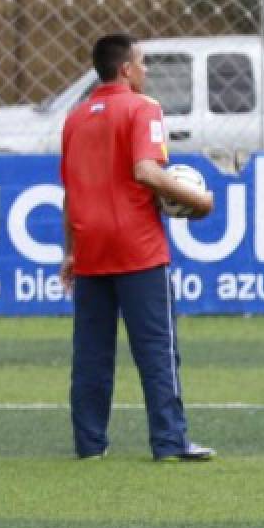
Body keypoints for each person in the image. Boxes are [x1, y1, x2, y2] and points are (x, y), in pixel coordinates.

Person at [59, 33, 215, 462]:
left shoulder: (74, 118)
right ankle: (169, 442)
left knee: (91, 355)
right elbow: (146, 170)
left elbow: (70, 192)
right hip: (137, 249)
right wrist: (198, 199)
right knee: (157, 350)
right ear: (126, 69)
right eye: (143, 63)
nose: (146, 71)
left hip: (91, 249)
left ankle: (89, 446)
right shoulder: (143, 108)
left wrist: (69, 251)